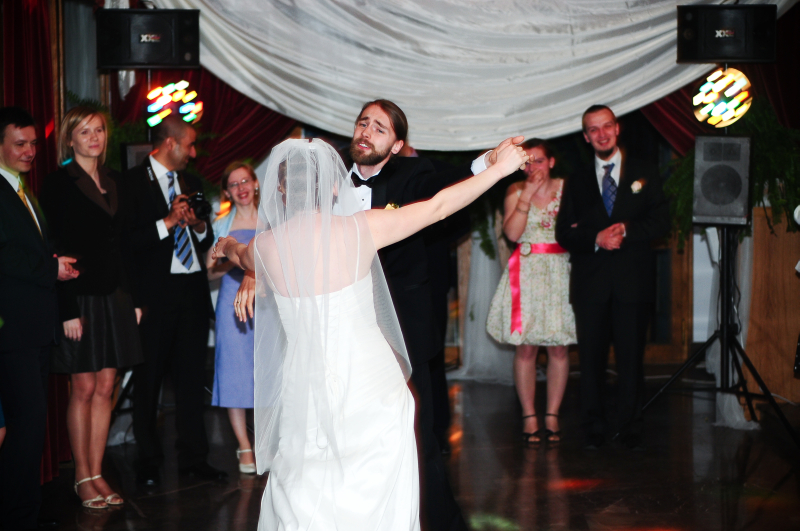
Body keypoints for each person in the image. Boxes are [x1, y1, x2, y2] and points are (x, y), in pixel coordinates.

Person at [213, 137, 528, 531]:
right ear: (333, 186)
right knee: (376, 482)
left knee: (307, 478)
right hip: (370, 383)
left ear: (281, 190)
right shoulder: (361, 228)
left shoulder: (264, 247)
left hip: (305, 386)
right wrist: (499, 170)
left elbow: (236, 252)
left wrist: (225, 244)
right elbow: (439, 207)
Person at [39, 106, 144, 509]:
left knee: (105, 386)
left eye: (98, 130)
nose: (94, 137)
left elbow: (126, 245)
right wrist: (66, 309)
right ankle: (82, 476)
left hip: (116, 295)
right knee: (83, 387)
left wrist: (135, 299)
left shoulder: (116, 180)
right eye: (84, 132)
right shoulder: (57, 183)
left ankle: (97, 473)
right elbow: (54, 248)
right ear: (70, 139)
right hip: (79, 296)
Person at [555, 105, 670, 450]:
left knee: (631, 360)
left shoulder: (645, 171)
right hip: (590, 285)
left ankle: (631, 426)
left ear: (617, 129)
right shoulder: (576, 179)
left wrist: (627, 230)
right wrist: (595, 237)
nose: (601, 134)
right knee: (590, 362)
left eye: (606, 126)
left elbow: (662, 222)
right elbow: (564, 233)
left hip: (632, 283)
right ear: (586, 136)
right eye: (594, 129)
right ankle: (592, 426)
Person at [121, 115, 223, 486]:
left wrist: (197, 225)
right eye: (190, 145)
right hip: (154, 295)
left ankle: (194, 458)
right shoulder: (130, 182)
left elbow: (205, 237)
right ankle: (148, 461)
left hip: (191, 291)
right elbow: (127, 243)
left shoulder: (190, 182)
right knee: (148, 381)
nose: (193, 153)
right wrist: (166, 222)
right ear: (170, 143)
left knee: (191, 379)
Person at [0, 106, 80, 530]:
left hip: (34, 327)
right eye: (20, 144)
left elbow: (31, 249)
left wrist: (55, 264)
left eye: (33, 143)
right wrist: (50, 268)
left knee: (31, 428)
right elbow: (5, 256)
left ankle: (25, 511)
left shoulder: (22, 189)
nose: (30, 151)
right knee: (25, 426)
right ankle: (17, 516)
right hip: (11, 330)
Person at [486, 138, 577, 444]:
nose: (533, 167)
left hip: (560, 271)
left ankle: (552, 414)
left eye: (539, 160)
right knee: (526, 347)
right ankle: (529, 414)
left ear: (551, 162)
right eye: (527, 162)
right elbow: (512, 234)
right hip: (525, 272)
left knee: (559, 347)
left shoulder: (567, 188)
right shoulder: (514, 190)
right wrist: (526, 194)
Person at [206, 161, 262, 474]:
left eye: (245, 181)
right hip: (232, 304)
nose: (241, 188)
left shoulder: (272, 219)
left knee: (269, 371)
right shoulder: (221, 226)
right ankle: (244, 445)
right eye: (233, 184)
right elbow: (209, 271)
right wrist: (236, 260)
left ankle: (268, 440)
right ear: (226, 192)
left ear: (255, 183)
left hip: (268, 303)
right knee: (234, 372)